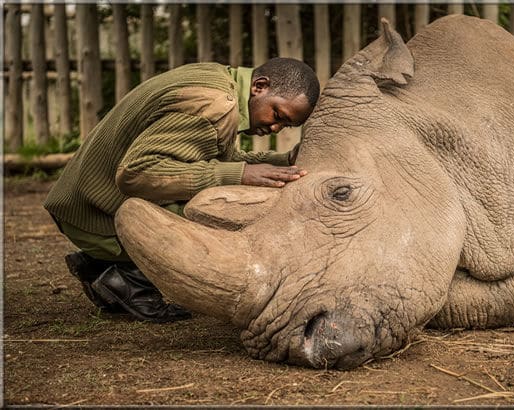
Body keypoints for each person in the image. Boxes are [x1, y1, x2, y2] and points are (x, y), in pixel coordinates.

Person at [44, 58, 320, 323]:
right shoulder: (215, 106)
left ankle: (103, 265)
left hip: (82, 202)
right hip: (94, 216)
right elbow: (136, 173)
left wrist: (283, 162)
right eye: (277, 114)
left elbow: (217, 161)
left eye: (285, 125)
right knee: (224, 213)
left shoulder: (218, 80)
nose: (274, 127)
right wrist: (240, 175)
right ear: (260, 86)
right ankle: (126, 274)